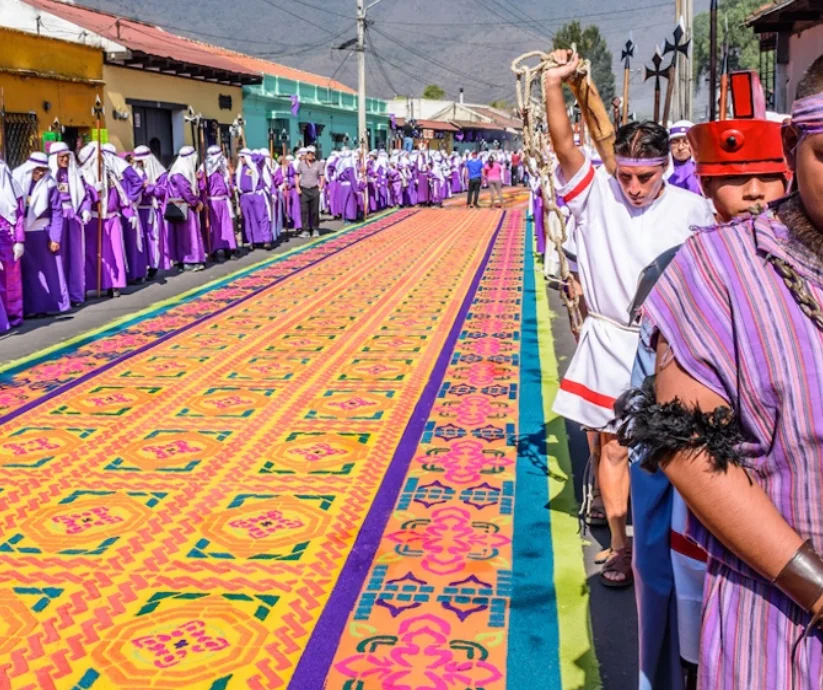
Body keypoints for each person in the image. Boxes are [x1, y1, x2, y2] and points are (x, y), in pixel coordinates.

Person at [616, 54, 823, 690]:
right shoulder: (714, 267)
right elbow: (683, 447)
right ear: (797, 146)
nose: (753, 192)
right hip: (781, 619)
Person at [543, 48, 715, 589]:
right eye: (627, 176)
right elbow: (565, 143)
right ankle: (620, 546)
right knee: (613, 445)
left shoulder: (693, 211)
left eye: (646, 177)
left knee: (672, 449)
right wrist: (555, 84)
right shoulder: (596, 193)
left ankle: (674, 538)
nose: (634, 188)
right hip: (610, 339)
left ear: (665, 168)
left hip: (670, 345)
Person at [13, 152, 69, 316]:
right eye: (37, 171)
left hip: (42, 233)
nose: (39, 174)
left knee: (47, 273)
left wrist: (55, 237)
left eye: (43, 171)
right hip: (21, 233)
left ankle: (45, 307)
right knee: (27, 274)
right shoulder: (17, 180)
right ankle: (25, 309)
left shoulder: (50, 184)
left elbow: (57, 211)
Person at [79, 142, 130, 298]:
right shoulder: (82, 177)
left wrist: (128, 212)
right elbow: (82, 198)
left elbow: (119, 194)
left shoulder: (109, 173)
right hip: (94, 220)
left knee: (114, 252)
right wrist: (94, 191)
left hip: (112, 218)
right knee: (92, 253)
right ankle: (90, 285)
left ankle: (114, 284)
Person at [49, 142, 90, 307]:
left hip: (72, 217)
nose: (65, 159)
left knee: (75, 257)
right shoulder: (49, 176)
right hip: (55, 219)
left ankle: (75, 294)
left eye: (67, 156)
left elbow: (86, 194)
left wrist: (85, 209)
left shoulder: (75, 174)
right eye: (61, 157)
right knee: (59, 257)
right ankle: (60, 296)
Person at [132, 145, 170, 275]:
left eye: (141, 161)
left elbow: (163, 191)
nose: (139, 164)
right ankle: (140, 268)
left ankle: (153, 266)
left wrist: (150, 188)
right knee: (139, 240)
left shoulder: (160, 173)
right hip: (137, 210)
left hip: (150, 210)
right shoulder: (134, 172)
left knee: (152, 238)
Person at [167, 146, 206, 271]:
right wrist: (196, 202)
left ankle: (182, 259)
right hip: (185, 207)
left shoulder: (177, 170)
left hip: (178, 206)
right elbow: (186, 191)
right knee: (189, 235)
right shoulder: (181, 172)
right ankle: (191, 260)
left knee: (181, 235)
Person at [0, 157, 25, 332]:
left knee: (11, 281)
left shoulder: (14, 191)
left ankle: (14, 315)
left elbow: (20, 216)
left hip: (7, 238)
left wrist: (19, 240)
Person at [202, 145, 237, 259]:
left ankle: (229, 249)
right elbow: (202, 188)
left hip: (224, 201)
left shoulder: (223, 170)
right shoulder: (205, 171)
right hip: (212, 202)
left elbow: (228, 184)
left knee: (226, 226)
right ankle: (214, 250)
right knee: (214, 227)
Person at [236, 148, 271, 250]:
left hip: (256, 194)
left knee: (261, 217)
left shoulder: (255, 166)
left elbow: (261, 158)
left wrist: (252, 156)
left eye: (242, 157)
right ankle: (252, 241)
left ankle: (266, 240)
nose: (241, 160)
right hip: (245, 197)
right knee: (249, 220)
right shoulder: (240, 169)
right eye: (240, 158)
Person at [296, 145, 325, 238]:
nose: (310, 155)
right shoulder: (301, 164)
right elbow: (296, 175)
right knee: (304, 210)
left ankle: (315, 228)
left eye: (312, 153)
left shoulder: (318, 164)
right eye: (309, 153)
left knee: (314, 211)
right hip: (304, 189)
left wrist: (321, 186)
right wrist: (297, 187)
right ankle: (306, 229)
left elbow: (322, 176)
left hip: (314, 189)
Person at [667, 121, 702, 196]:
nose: (680, 147)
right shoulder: (660, 168)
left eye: (686, 142)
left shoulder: (701, 169)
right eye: (675, 142)